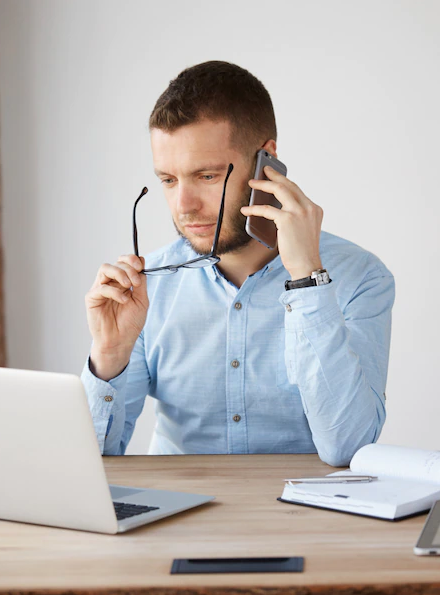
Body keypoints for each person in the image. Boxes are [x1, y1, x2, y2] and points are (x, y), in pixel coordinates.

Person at [81, 60, 394, 467]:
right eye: (169, 180)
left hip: (305, 523)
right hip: (177, 522)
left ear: (267, 160)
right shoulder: (144, 288)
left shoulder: (359, 278)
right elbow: (89, 467)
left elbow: (347, 448)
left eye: (208, 176)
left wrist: (308, 283)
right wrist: (108, 355)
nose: (184, 206)